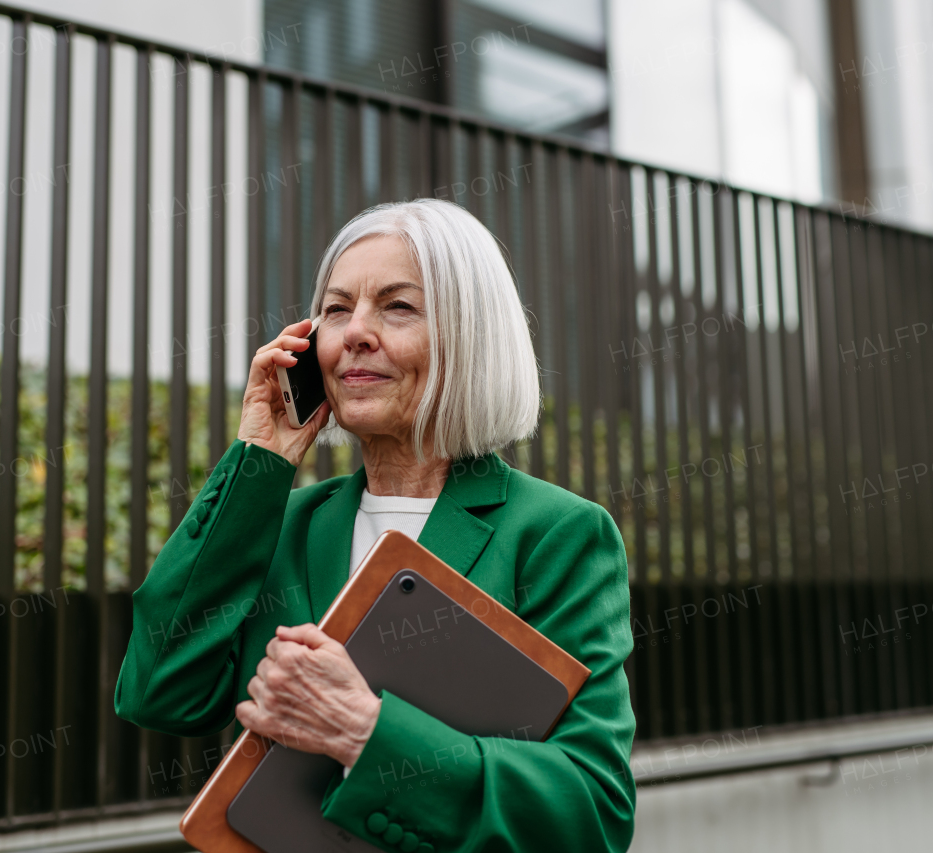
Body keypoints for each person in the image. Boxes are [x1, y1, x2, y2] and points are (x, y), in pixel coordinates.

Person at [115, 198, 636, 852]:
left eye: (398, 306)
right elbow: (161, 694)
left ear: (469, 337)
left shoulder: (558, 534)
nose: (355, 331)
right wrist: (257, 465)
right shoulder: (285, 521)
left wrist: (365, 731)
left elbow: (592, 812)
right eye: (336, 309)